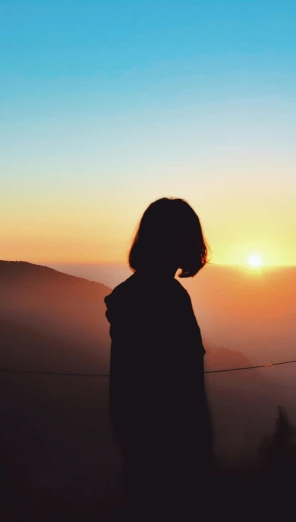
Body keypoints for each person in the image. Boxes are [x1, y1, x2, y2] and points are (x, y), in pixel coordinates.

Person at [105, 197, 214, 520]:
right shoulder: (166, 299)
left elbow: (123, 394)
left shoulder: (134, 297)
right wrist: (198, 457)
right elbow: (184, 391)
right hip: (171, 459)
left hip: (144, 457)